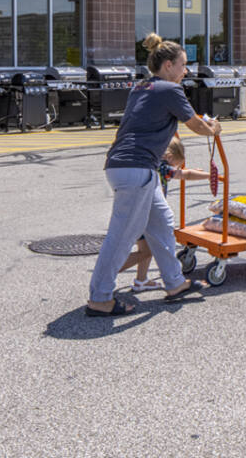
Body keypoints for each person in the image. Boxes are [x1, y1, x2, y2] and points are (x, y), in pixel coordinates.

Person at [85, 34, 220, 317]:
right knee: (122, 236)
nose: (186, 71)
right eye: (184, 65)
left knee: (161, 222)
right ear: (169, 65)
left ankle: (174, 283)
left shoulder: (142, 87)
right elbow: (197, 125)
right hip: (137, 169)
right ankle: (100, 298)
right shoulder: (171, 90)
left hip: (125, 165)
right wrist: (214, 129)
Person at [118, 136, 210, 292]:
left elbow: (185, 172)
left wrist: (195, 172)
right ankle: (109, 271)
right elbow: (184, 175)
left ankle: (141, 280)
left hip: (141, 212)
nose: (177, 167)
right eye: (177, 163)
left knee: (145, 249)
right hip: (148, 215)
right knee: (147, 251)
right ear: (169, 157)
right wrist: (209, 176)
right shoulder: (163, 167)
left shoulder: (152, 164)